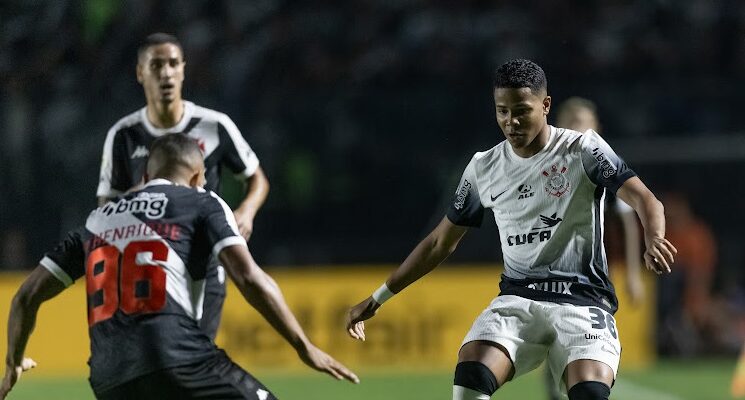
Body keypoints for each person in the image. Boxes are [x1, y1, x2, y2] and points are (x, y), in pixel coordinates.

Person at [346, 59, 676, 400]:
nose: (511, 121)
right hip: (519, 300)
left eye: (521, 110)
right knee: (471, 371)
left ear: (546, 105)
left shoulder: (583, 149)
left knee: (590, 394)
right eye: (502, 111)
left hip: (583, 301)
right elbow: (438, 243)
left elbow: (646, 199)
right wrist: (378, 298)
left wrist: (654, 239)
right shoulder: (484, 167)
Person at [0, 134, 357, 400]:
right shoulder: (201, 202)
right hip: (177, 357)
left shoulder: (97, 220)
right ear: (198, 176)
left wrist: (13, 360)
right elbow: (249, 277)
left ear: (145, 174)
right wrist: (303, 346)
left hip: (110, 378)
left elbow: (25, 296)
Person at [96, 33, 270, 340]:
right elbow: (105, 209)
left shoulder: (214, 126)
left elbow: (257, 178)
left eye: (173, 63)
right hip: (147, 269)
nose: (166, 72)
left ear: (184, 70)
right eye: (156, 64)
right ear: (140, 73)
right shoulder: (124, 135)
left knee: (191, 360)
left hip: (204, 267)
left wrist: (246, 212)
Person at [535, 96, 645, 400]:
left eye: (583, 122)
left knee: (586, 337)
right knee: (553, 336)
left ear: (595, 126)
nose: (577, 128)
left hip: (590, 273)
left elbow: (628, 222)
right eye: (572, 122)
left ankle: (585, 380)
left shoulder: (604, 165)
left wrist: (634, 275)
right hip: (547, 269)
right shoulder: (547, 165)